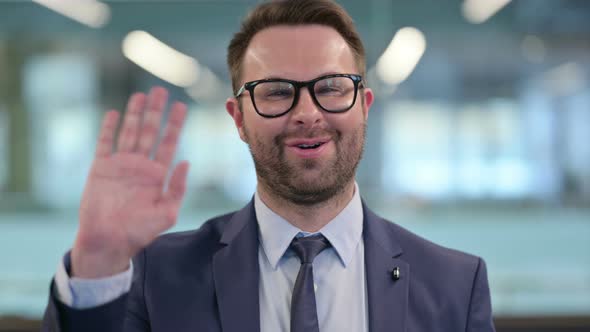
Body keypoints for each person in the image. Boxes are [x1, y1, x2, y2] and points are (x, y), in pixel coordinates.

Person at [41, 0, 496, 331]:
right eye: (277, 91)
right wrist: (97, 266)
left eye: (333, 87)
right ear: (238, 119)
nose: (307, 113)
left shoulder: (454, 285)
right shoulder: (154, 276)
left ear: (364, 106)